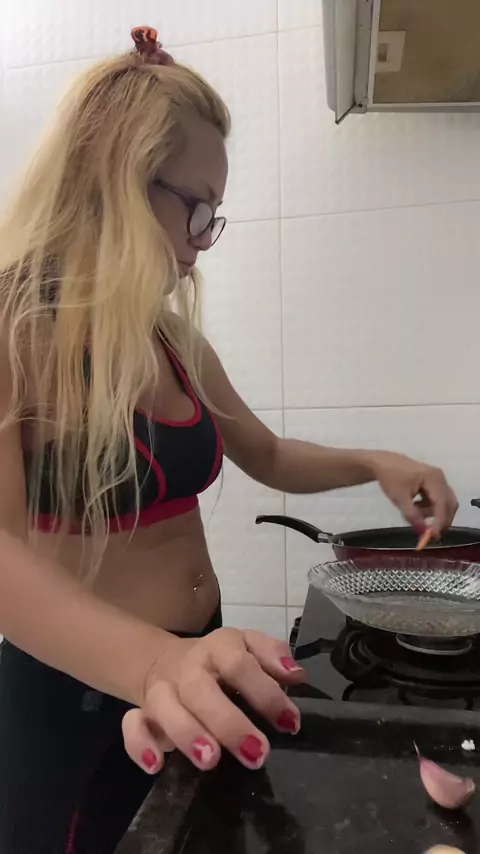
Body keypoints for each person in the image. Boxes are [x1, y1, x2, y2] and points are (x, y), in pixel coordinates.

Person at [0, 25, 458, 854]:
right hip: (80, 695)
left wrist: (375, 463)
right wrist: (151, 662)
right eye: (200, 210)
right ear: (125, 181)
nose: (202, 241)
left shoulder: (171, 340)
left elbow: (268, 455)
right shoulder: (15, 327)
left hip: (189, 665)